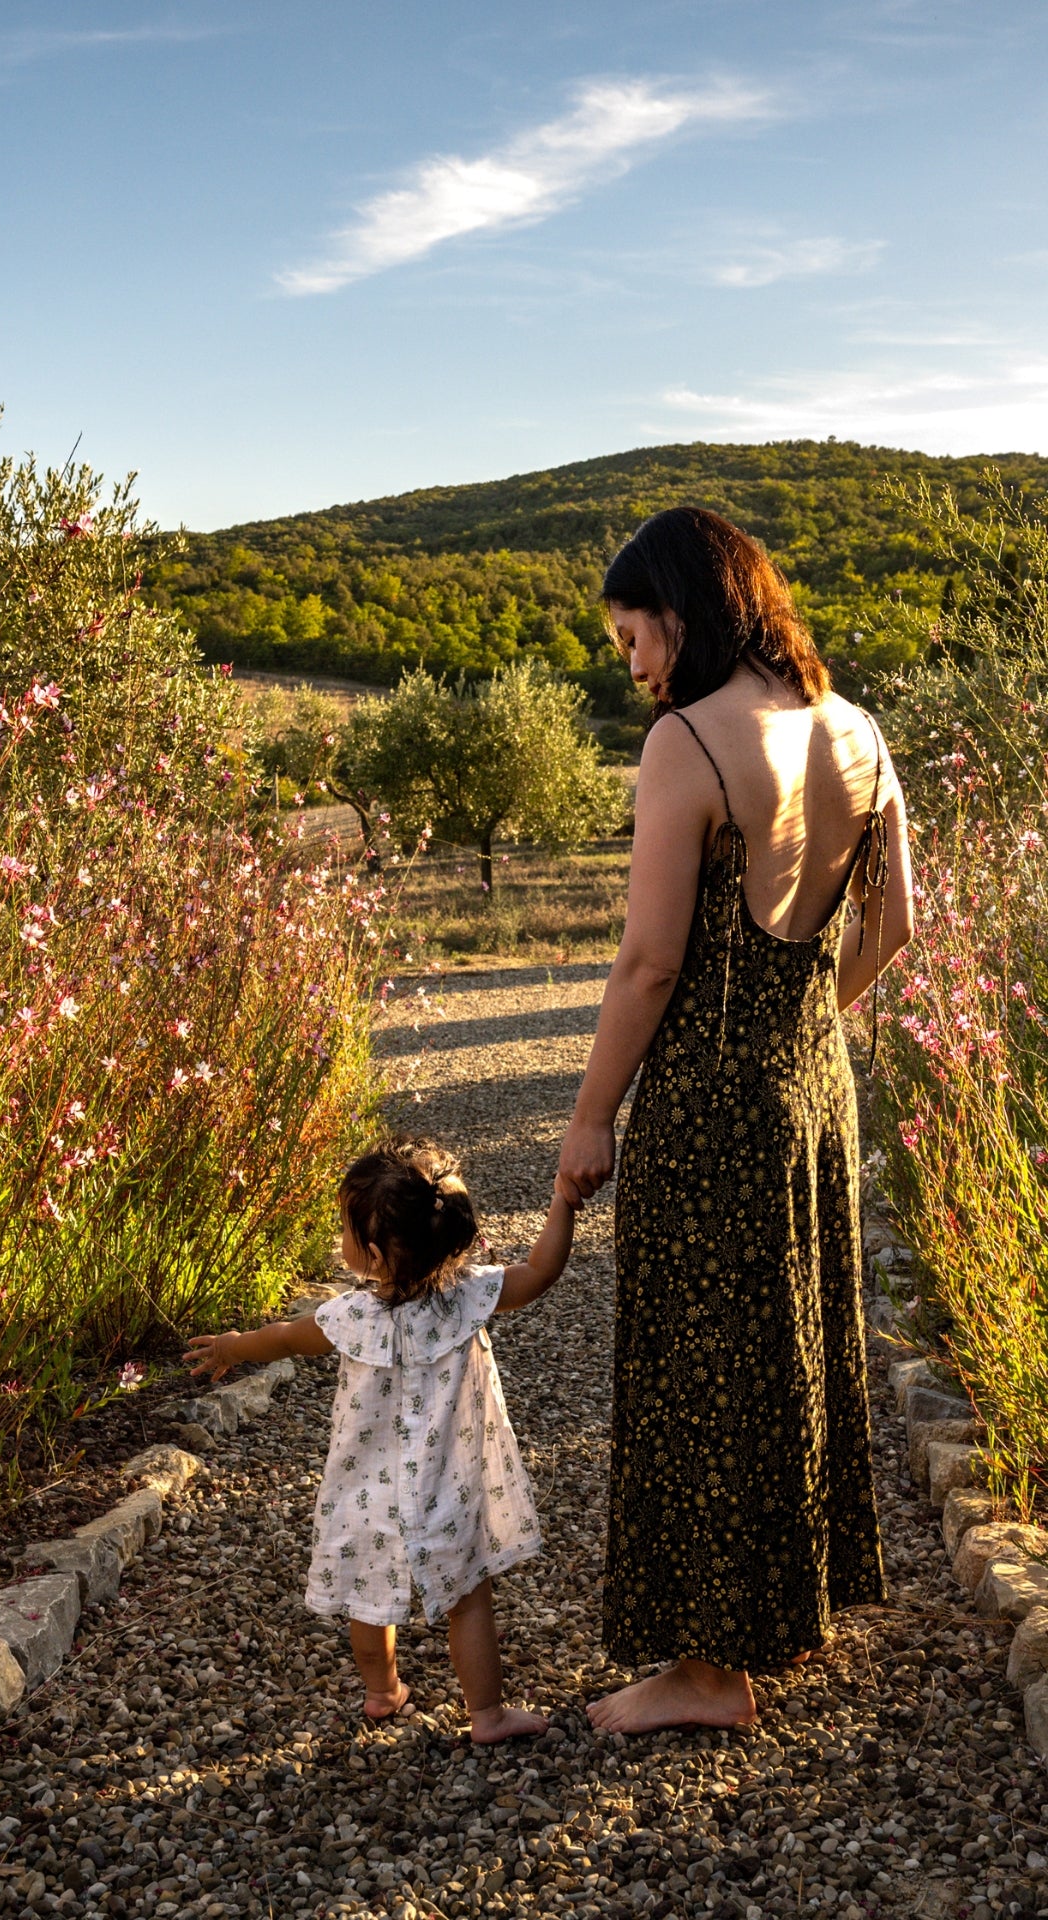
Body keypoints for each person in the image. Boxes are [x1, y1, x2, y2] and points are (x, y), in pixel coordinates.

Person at [556, 507, 914, 1735]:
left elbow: (649, 964)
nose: (633, 667)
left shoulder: (687, 744)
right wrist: (797, 1029)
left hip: (709, 1109)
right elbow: (894, 925)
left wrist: (590, 1116)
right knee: (790, 1350)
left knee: (701, 1368)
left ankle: (710, 1674)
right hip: (813, 1091)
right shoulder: (858, 729)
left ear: (683, 610)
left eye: (632, 637)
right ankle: (787, 1611)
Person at [185, 1136, 575, 1744]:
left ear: (371, 1254)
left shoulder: (348, 1318)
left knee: (367, 1593)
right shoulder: (469, 1297)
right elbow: (542, 1271)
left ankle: (382, 1691)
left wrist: (234, 1347)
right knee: (469, 1599)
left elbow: (283, 1338)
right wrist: (564, 1200)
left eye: (344, 1228)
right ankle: (488, 1715)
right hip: (448, 1483)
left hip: (366, 1487)